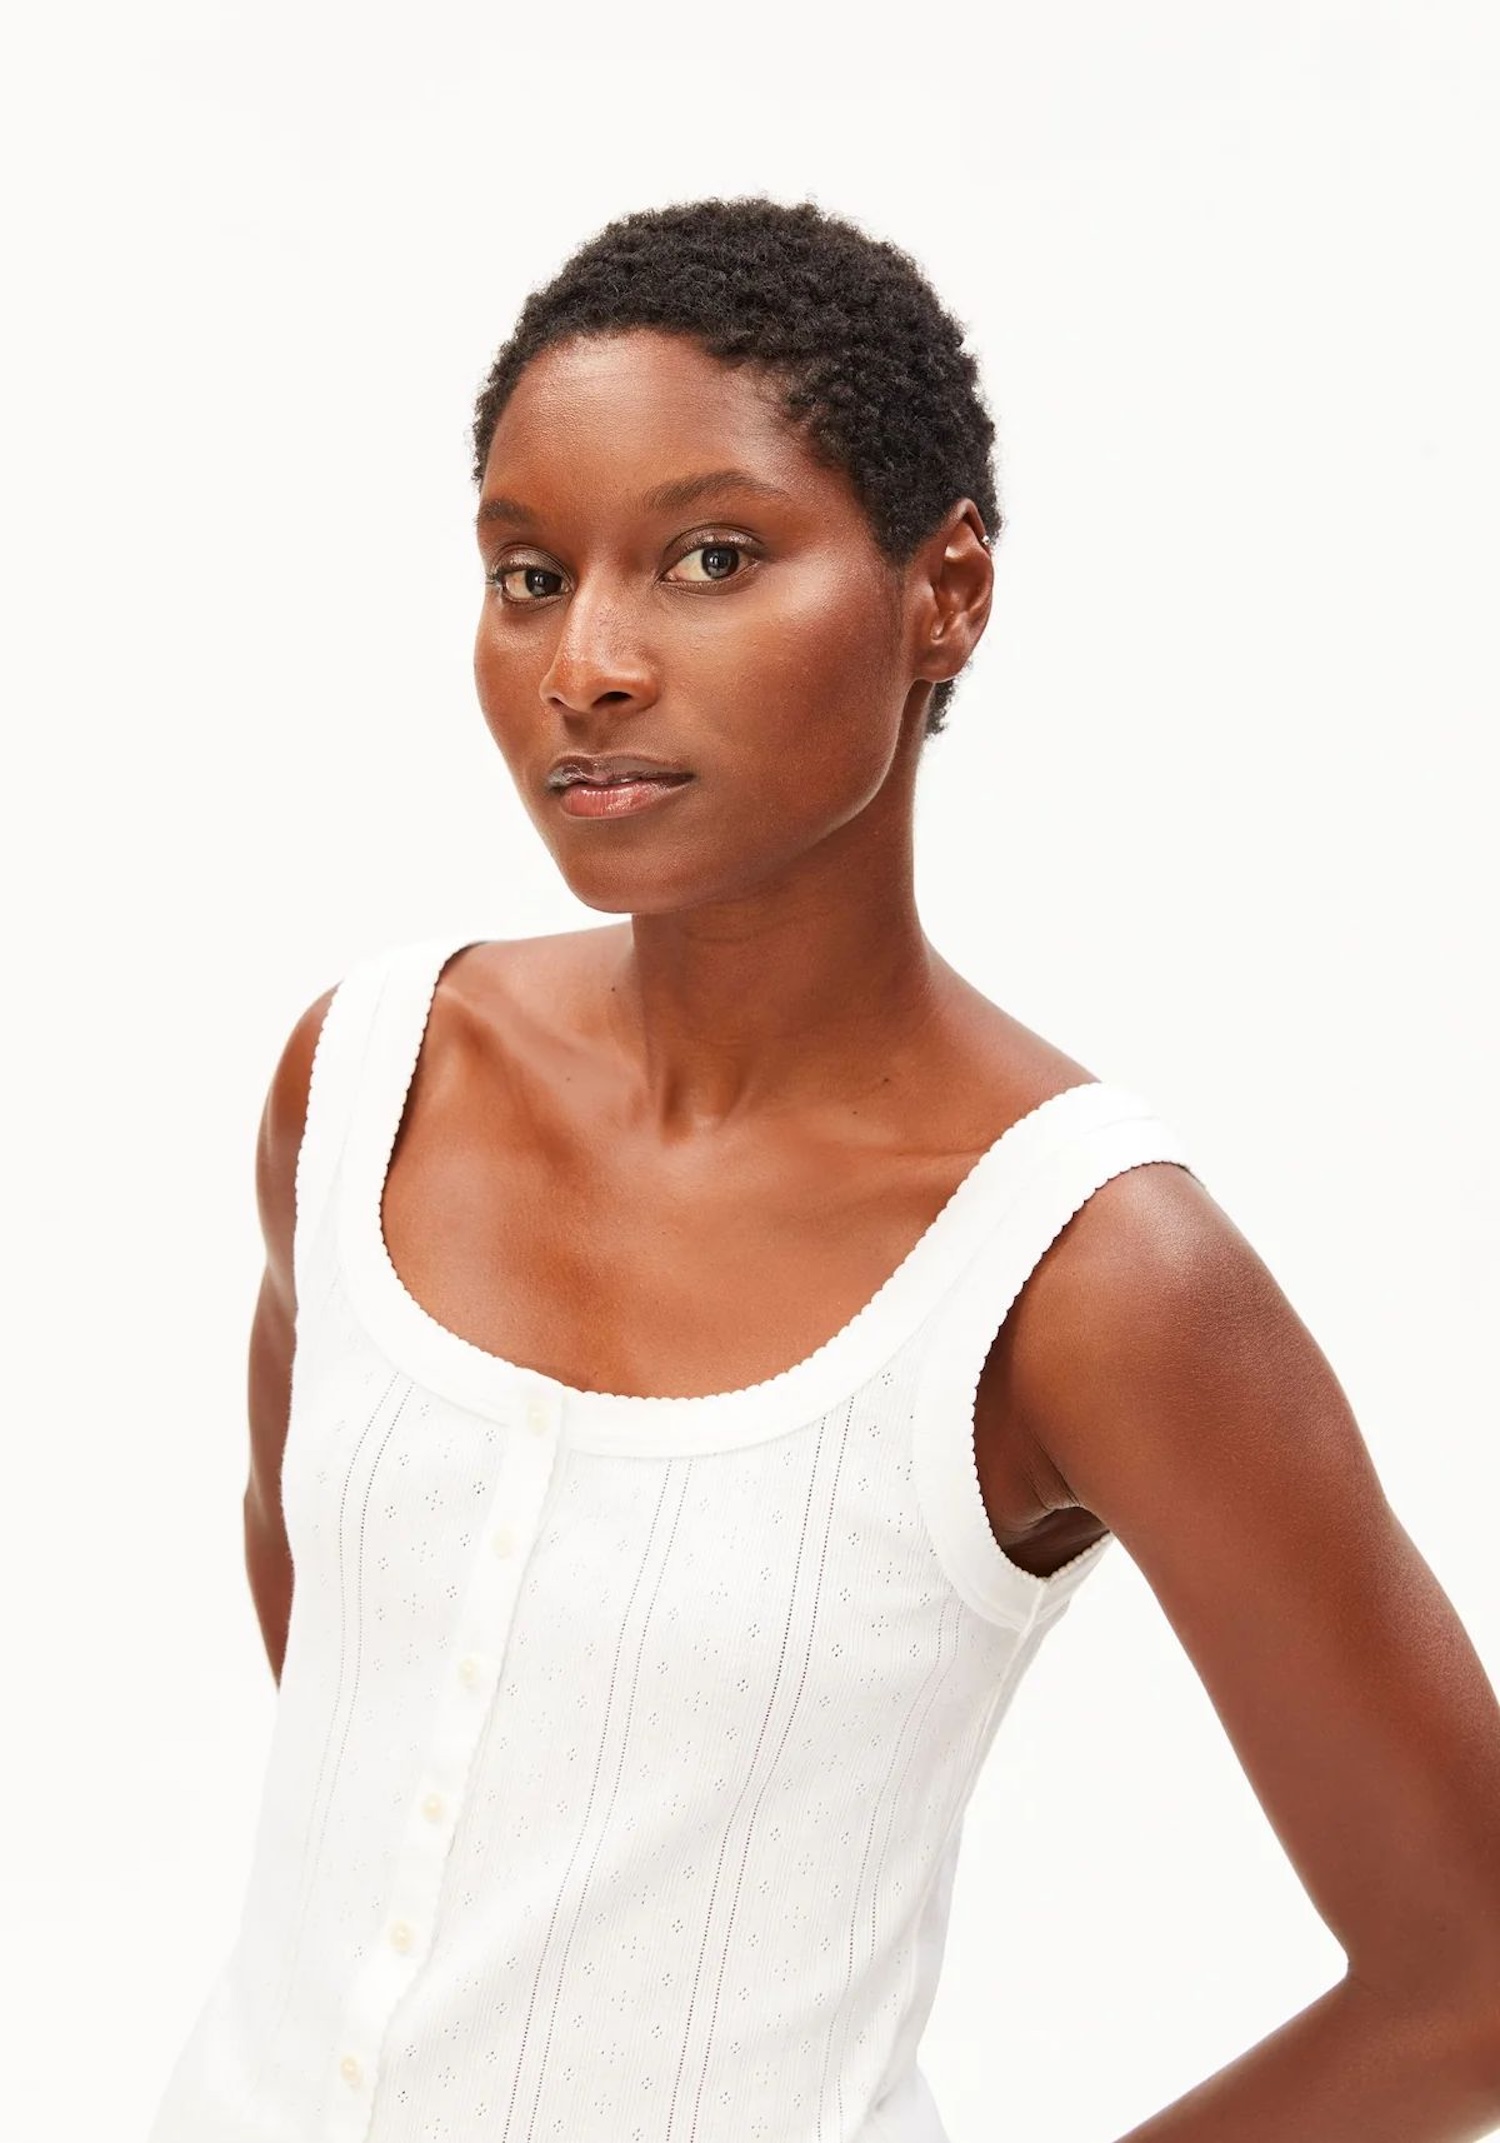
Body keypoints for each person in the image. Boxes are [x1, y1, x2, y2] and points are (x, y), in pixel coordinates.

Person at [148, 195, 1500, 2143]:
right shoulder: (367, 1082)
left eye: (711, 556)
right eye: (529, 574)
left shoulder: (1084, 1270)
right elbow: (346, 1632)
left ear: (943, 592)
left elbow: (1471, 1977)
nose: (586, 664)